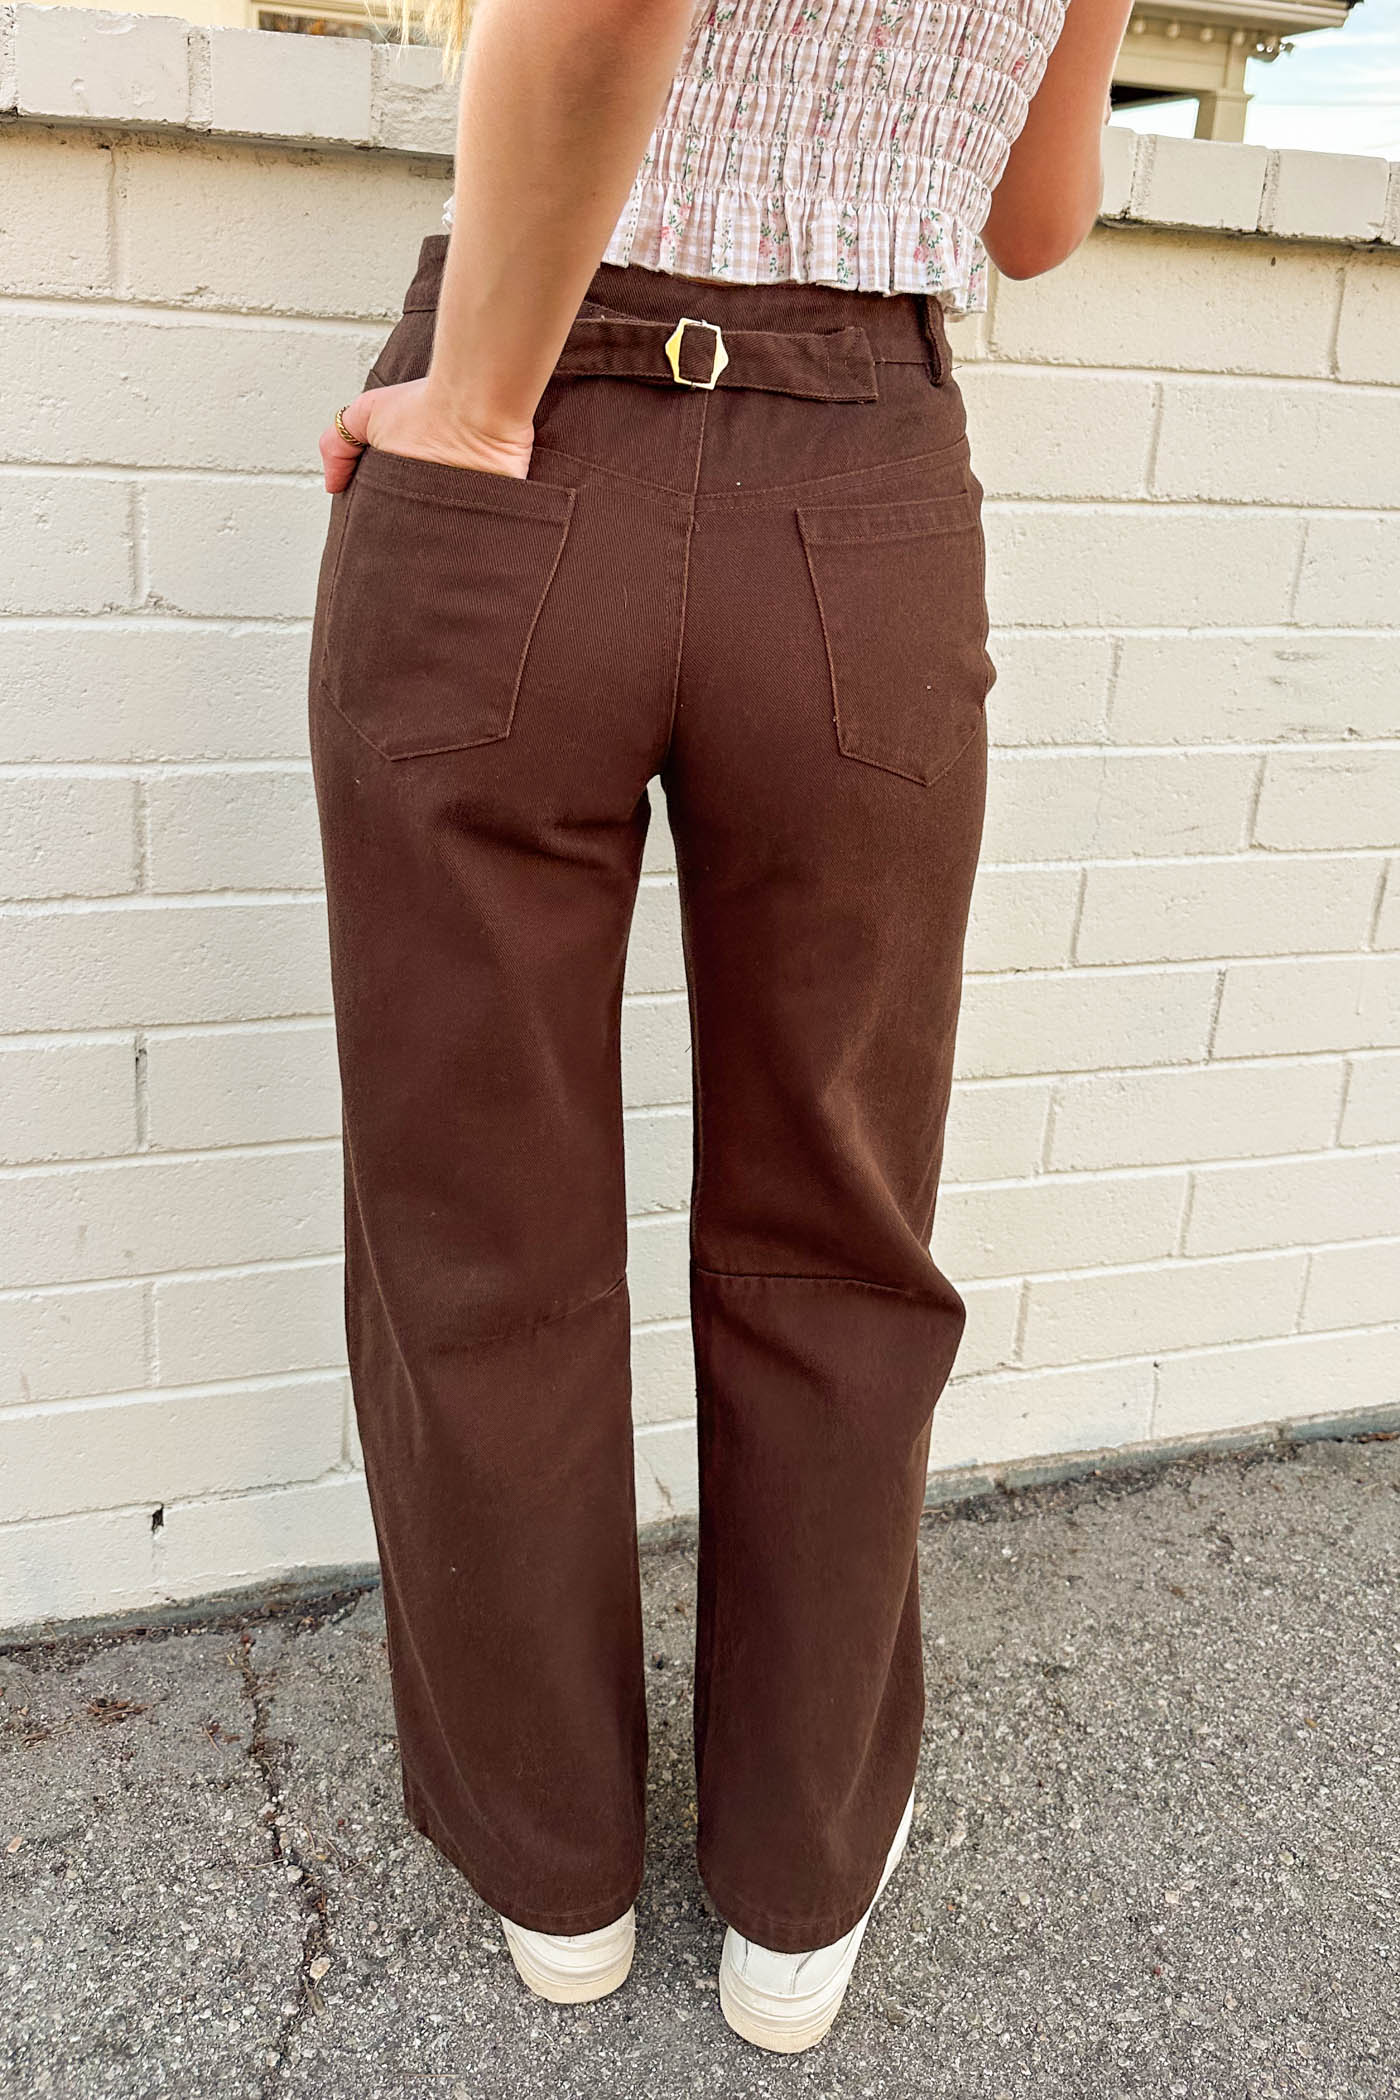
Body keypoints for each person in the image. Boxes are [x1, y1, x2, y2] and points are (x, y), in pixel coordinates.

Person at [310, 0, 1134, 2055]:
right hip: (861, 502)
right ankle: (795, 1887)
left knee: (477, 1217)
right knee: (837, 1224)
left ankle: (555, 1868)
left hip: (538, 427)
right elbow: (1037, 215)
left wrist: (475, 398)